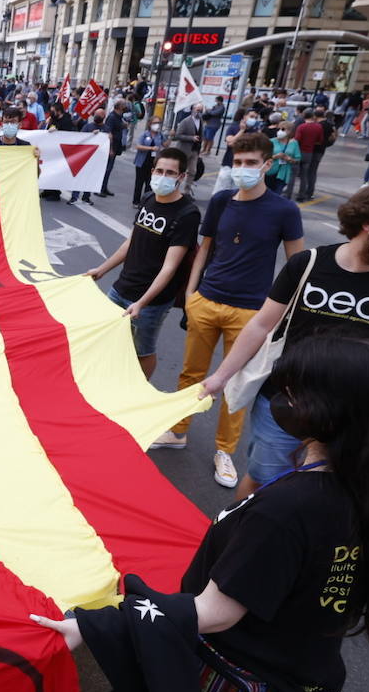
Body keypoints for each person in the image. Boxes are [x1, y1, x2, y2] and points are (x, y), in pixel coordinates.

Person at [34, 334, 369, 692]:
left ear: (330, 412)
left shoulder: (287, 509)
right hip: (293, 676)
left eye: (292, 391)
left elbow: (215, 614)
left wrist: (96, 624)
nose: (280, 399)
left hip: (236, 673)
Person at [204, 181, 369, 499]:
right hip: (285, 406)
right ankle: (233, 535)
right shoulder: (309, 264)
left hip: (356, 416)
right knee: (264, 484)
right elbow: (261, 325)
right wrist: (221, 376)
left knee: (327, 495)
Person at [153, 132, 305, 491]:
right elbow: (203, 249)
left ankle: (224, 451)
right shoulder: (221, 201)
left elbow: (297, 264)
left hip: (251, 312)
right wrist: (191, 293)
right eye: (237, 162)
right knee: (191, 373)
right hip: (206, 301)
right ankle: (179, 430)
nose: (243, 169)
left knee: (236, 385)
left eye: (251, 163)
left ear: (268, 165)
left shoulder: (284, 210)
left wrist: (282, 312)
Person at [86, 148, 200, 378]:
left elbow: (170, 267)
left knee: (142, 351)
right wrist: (102, 269)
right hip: (121, 287)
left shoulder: (187, 213)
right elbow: (130, 242)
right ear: (152, 171)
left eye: (170, 173)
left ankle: (138, 389)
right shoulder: (148, 197)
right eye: (159, 170)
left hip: (151, 300)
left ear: (181, 177)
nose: (163, 176)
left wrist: (142, 302)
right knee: (107, 337)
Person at [291, 109, 324, 202]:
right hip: (309, 153)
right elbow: (320, 140)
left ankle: (288, 193)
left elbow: (297, 139)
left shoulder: (301, 127)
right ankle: (301, 195)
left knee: (293, 174)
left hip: (299, 152)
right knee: (304, 175)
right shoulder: (318, 127)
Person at [131, 117, 165, 203]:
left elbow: (165, 144)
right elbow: (138, 146)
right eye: (155, 123)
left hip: (153, 163)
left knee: (150, 184)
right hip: (142, 162)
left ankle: (145, 202)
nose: (157, 125)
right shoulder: (145, 134)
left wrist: (171, 136)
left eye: (158, 123)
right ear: (150, 124)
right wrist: (151, 148)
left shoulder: (160, 135)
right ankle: (136, 201)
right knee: (139, 183)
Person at [170, 104, 205, 184]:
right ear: (193, 110)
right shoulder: (185, 121)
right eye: (198, 110)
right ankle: (175, 186)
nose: (199, 112)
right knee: (180, 170)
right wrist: (191, 138)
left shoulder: (201, 121)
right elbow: (177, 136)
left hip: (195, 150)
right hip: (184, 150)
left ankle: (187, 191)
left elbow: (201, 134)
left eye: (201, 110)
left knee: (192, 171)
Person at [266, 123, 301, 197]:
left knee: (277, 194)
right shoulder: (271, 141)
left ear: (290, 131)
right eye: (278, 129)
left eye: (283, 129)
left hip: (283, 173)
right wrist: (275, 156)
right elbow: (264, 156)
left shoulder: (294, 143)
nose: (279, 131)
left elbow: (298, 159)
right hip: (270, 171)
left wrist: (289, 159)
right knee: (267, 193)